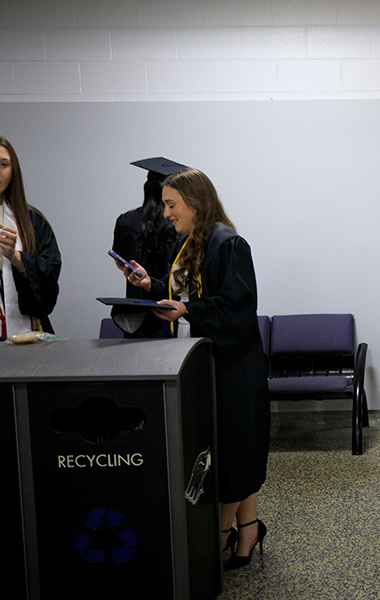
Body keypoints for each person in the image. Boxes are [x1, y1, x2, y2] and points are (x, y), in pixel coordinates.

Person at [118, 168, 270, 569]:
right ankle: (249, 529)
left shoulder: (229, 243)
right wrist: (149, 284)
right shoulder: (188, 244)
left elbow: (237, 308)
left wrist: (189, 310)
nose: (165, 213)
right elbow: (182, 292)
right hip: (208, 365)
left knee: (234, 457)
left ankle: (218, 535)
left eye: (172, 204)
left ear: (196, 203)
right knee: (233, 454)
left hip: (235, 370)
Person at [0, 134, 60, 338]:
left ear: (13, 172)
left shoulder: (31, 220)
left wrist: (17, 258)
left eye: (3, 164)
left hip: (26, 335)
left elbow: (50, 277)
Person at [110, 157, 182, 337]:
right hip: (172, 309)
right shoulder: (179, 225)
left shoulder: (126, 222)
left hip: (137, 313)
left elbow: (122, 260)